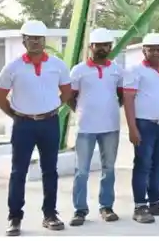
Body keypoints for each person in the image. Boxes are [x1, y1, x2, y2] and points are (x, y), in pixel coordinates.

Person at [0, 20, 72, 236]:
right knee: (18, 172)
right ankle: (15, 218)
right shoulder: (13, 67)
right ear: (24, 40)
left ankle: (50, 215)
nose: (35, 41)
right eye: (31, 38)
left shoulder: (57, 65)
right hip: (23, 125)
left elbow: (67, 92)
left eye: (39, 38)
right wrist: (16, 115)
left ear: (44, 40)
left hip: (49, 123)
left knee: (50, 171)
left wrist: (52, 107)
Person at [122, 33, 159, 224]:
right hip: (144, 125)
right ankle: (140, 206)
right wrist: (132, 128)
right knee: (142, 165)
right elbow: (129, 101)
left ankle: (156, 202)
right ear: (144, 50)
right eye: (152, 49)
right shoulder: (135, 71)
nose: (156, 53)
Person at [68, 28, 123, 227]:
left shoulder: (117, 70)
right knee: (81, 170)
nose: (102, 48)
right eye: (98, 45)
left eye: (106, 45)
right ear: (91, 46)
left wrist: (107, 110)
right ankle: (79, 210)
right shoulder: (78, 70)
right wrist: (83, 111)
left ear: (110, 47)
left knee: (108, 169)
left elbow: (122, 96)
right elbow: (70, 97)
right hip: (85, 128)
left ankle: (106, 206)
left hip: (110, 127)